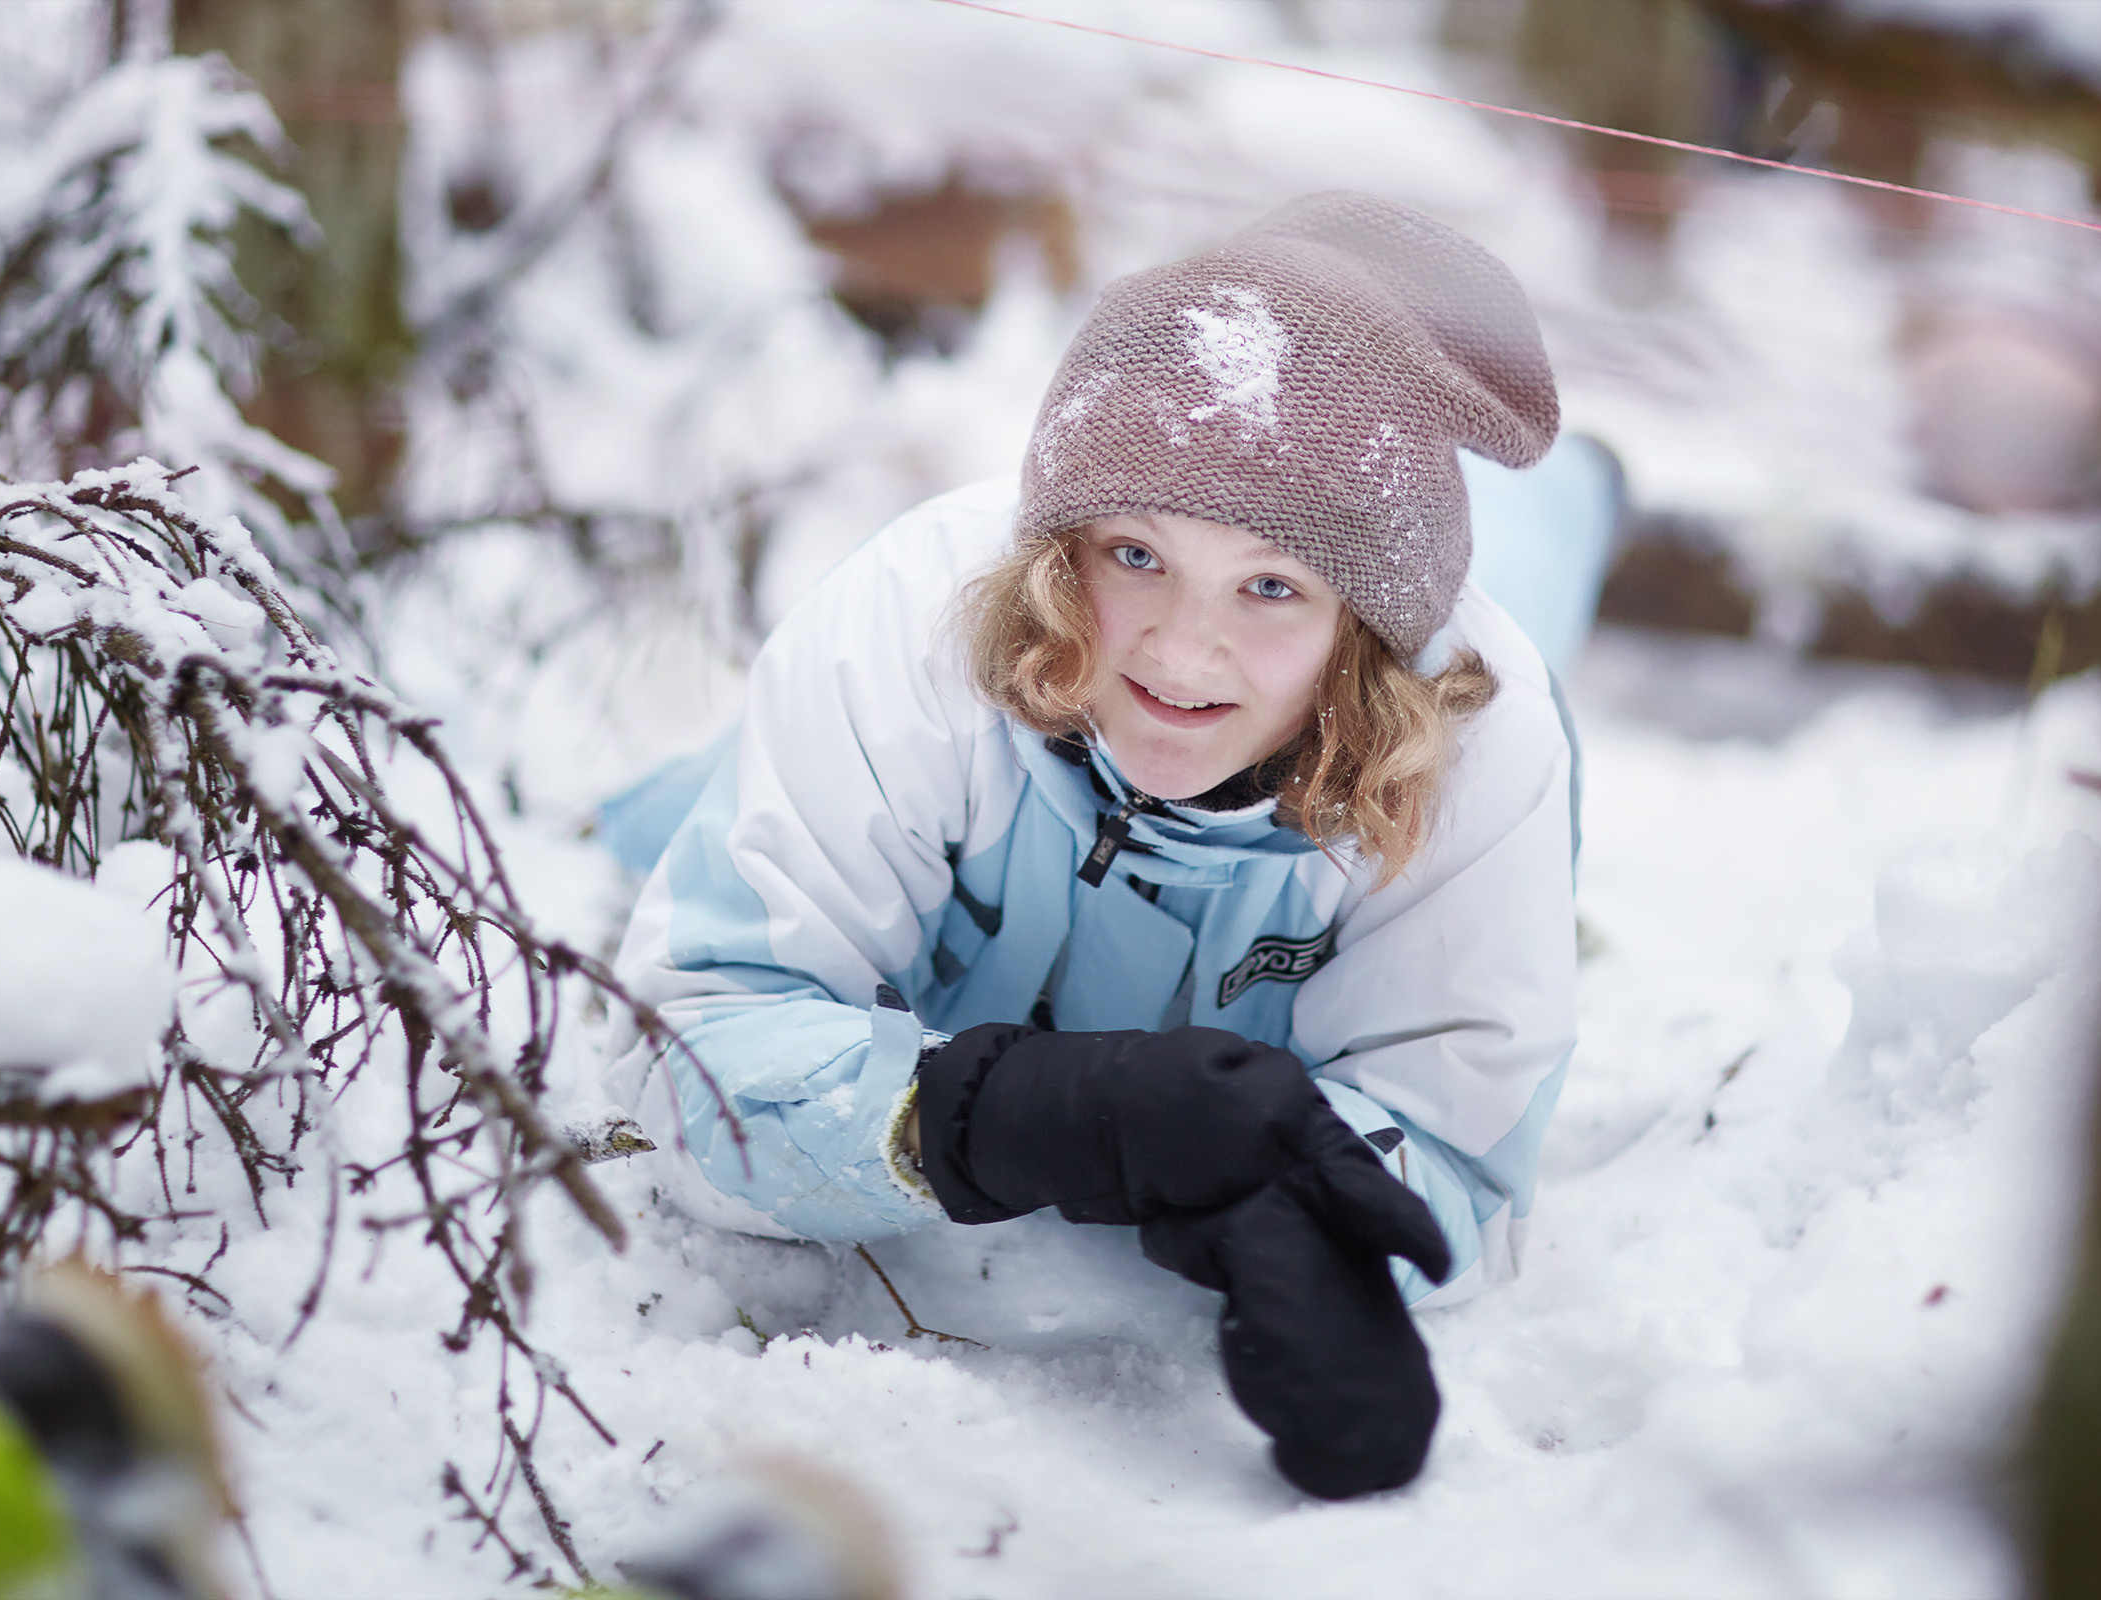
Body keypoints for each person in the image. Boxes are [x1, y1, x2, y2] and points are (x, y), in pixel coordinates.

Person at [608, 191, 1583, 1499]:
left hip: (1436, 683)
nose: (1182, 650)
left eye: (1272, 585)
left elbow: (1454, 1145)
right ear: (1060, 554)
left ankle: (1588, 484)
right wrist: (1007, 1115)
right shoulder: (913, 616)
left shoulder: (1480, 737)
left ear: (1363, 628)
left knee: (1539, 559)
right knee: (661, 811)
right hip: (801, 786)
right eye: (1134, 554)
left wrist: (1309, 1216)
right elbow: (691, 1052)